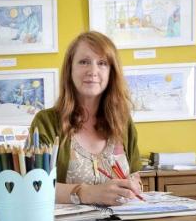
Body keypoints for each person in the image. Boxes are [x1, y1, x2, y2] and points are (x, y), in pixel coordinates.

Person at [30, 31, 141, 206]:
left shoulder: (123, 121)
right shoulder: (46, 122)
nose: (93, 71)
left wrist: (134, 186)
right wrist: (87, 193)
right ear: (70, 69)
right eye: (84, 62)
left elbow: (135, 175)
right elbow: (34, 186)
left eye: (102, 63)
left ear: (111, 72)